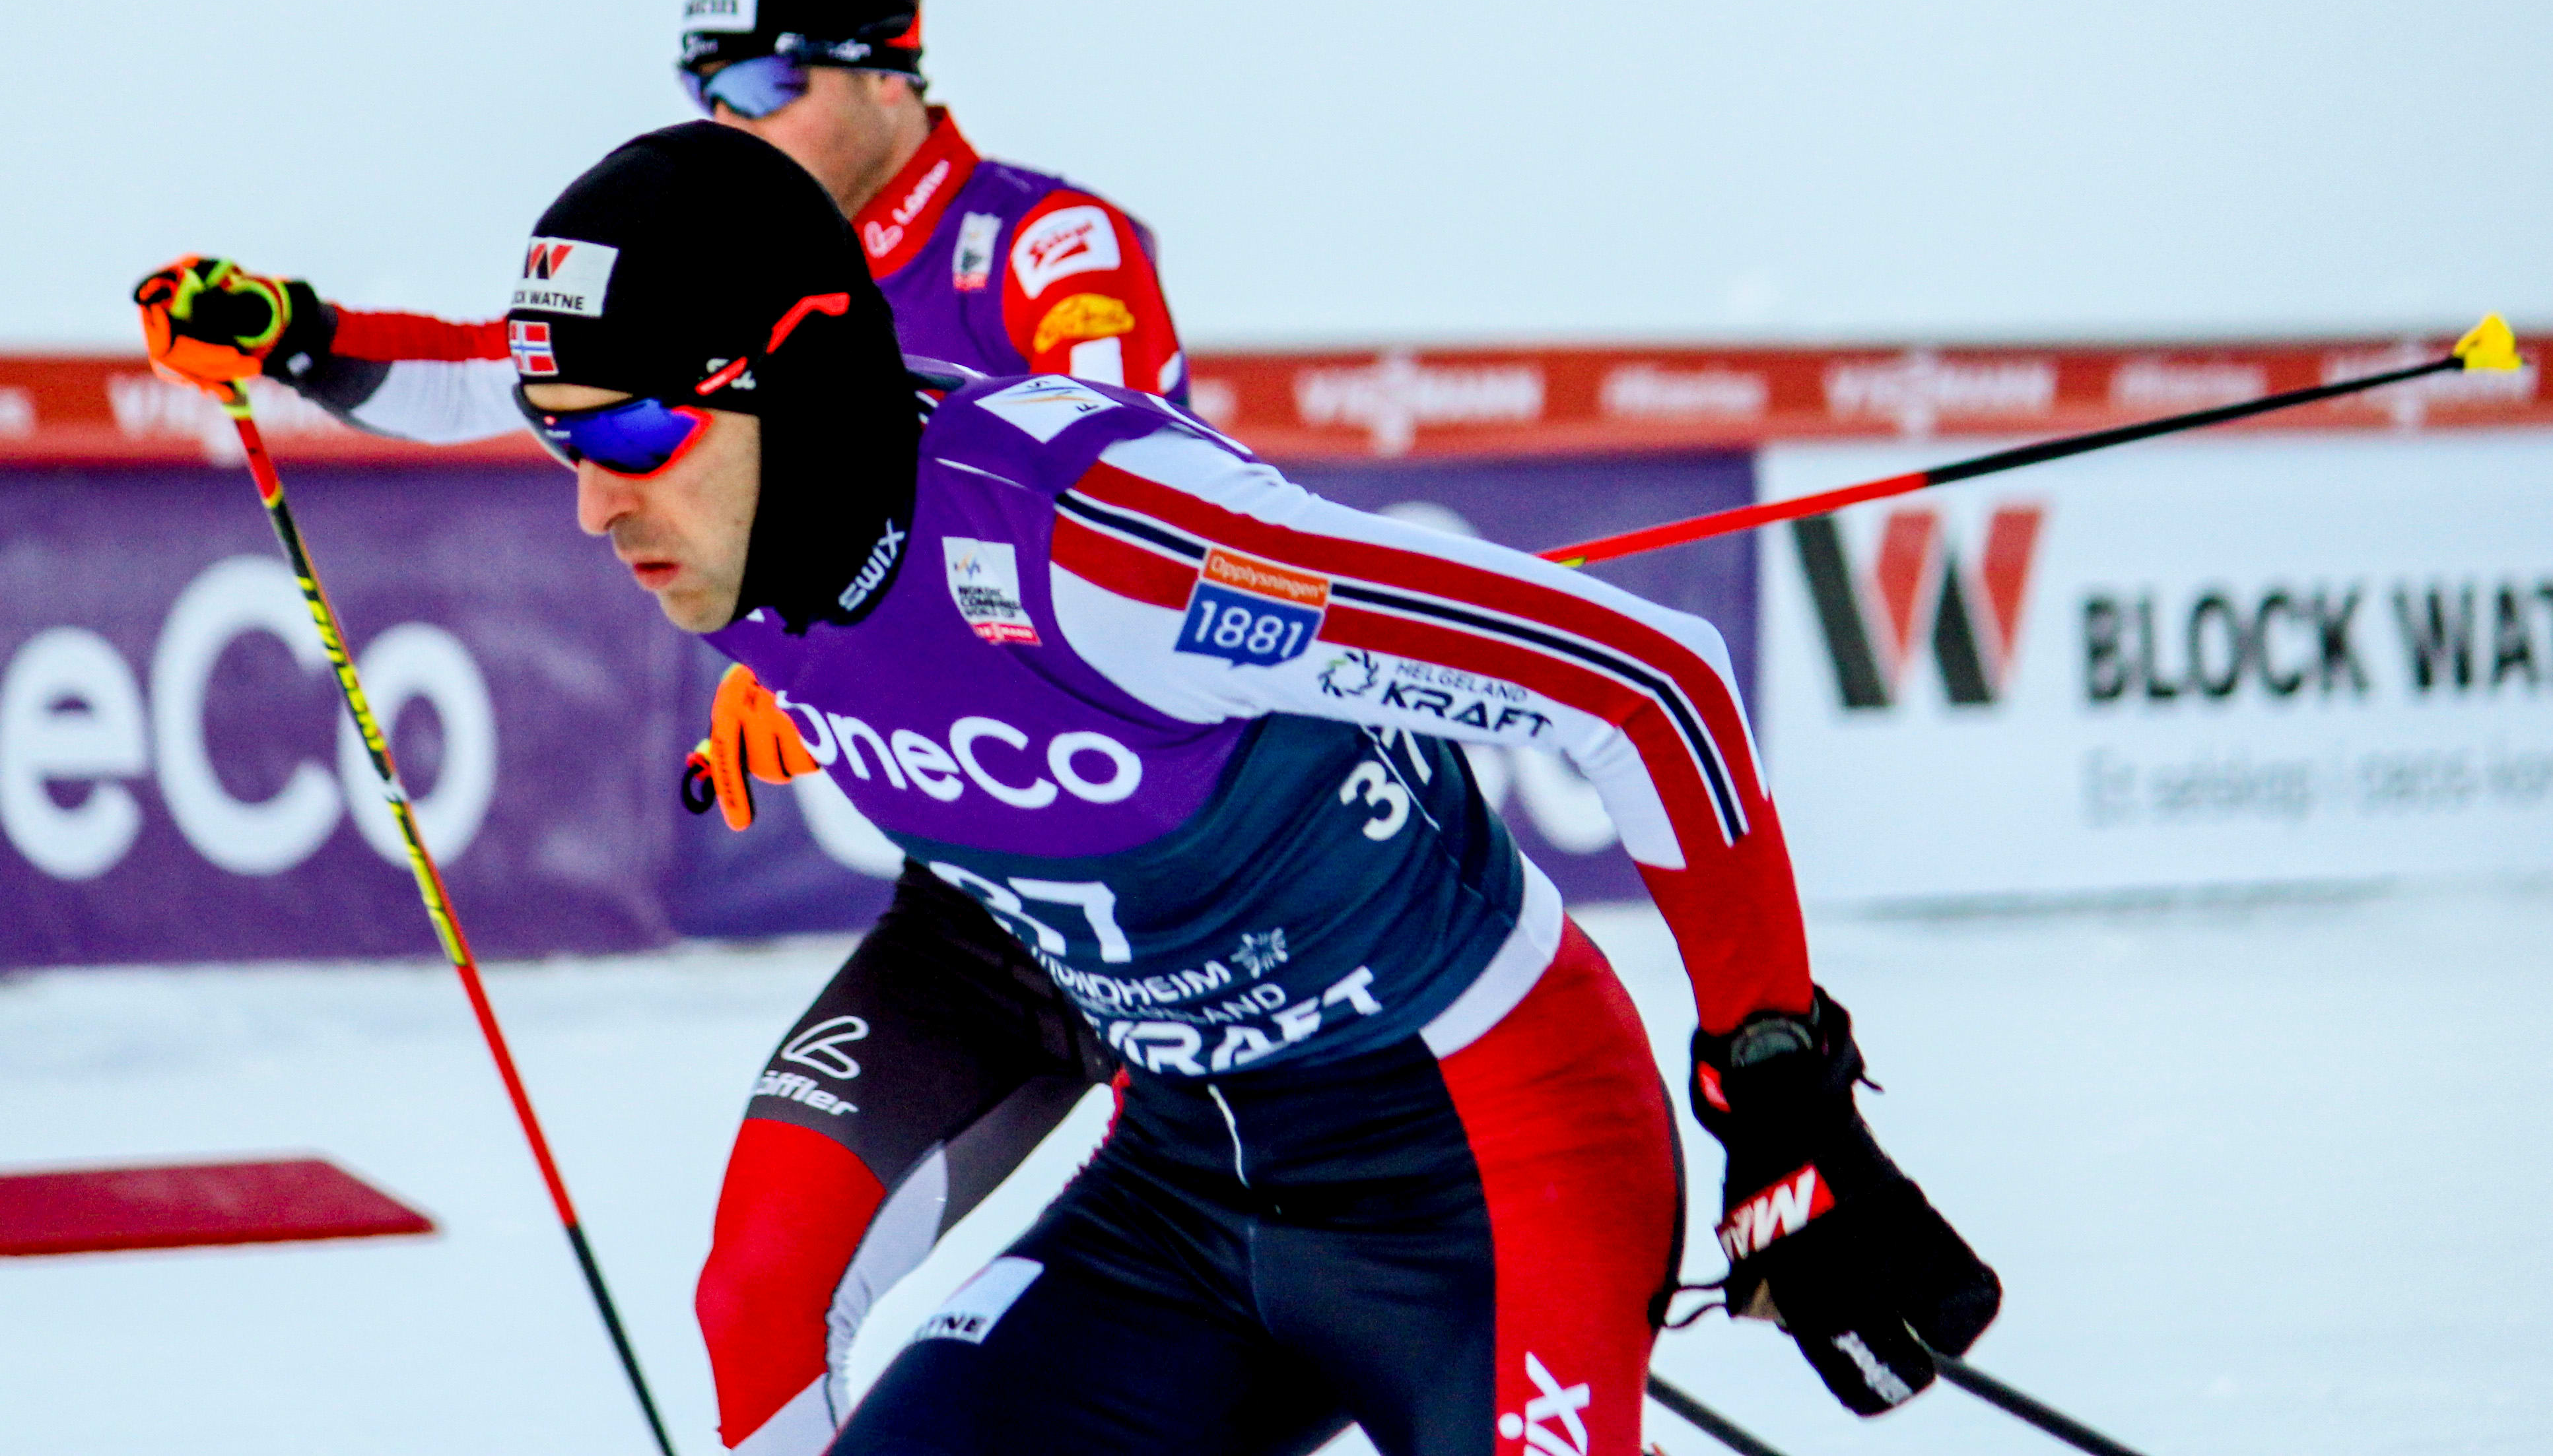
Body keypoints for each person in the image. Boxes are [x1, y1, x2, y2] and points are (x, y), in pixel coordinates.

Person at [468, 121, 1998, 1455]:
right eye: (559, 439)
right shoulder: (735, 542)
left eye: (634, 433)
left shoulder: (1098, 546)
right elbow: (438, 373)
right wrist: (331, 336)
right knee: (765, 1294)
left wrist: (1782, 1096)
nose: (595, 504)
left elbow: (1649, 684)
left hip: (1484, 1161)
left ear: (798, 380)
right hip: (1183, 1182)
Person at [133, 0, 1196, 1453]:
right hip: (988, 900)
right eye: (702, 85)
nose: (727, 116)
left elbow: (1118, 504)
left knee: (1172, 1343)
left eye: (763, 80)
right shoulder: (729, 252)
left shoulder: (1043, 247)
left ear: (890, 69)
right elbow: (504, 371)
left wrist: (854, 650)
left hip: (1189, 886)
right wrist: (299, 334)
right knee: (759, 1289)